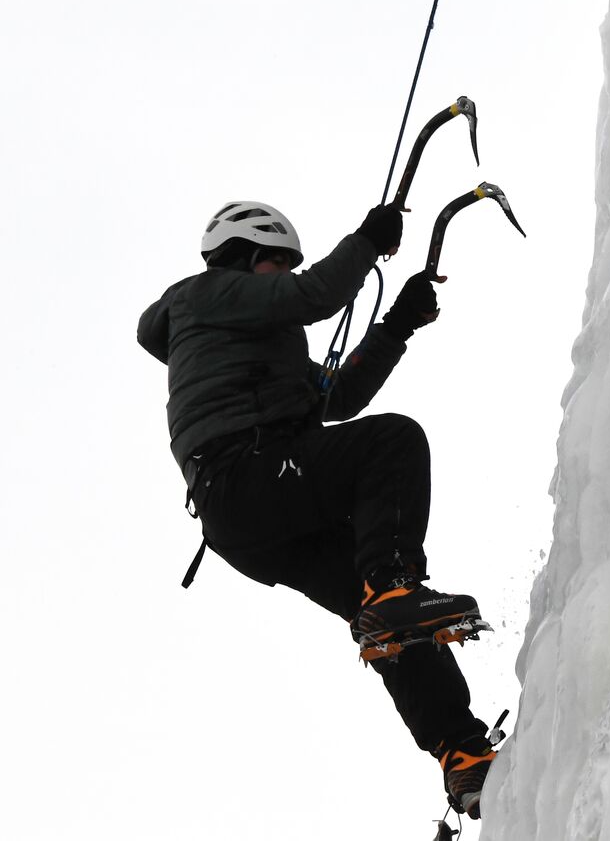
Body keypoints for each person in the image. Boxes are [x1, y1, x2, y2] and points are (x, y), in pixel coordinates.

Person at [137, 200, 495, 818]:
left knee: (386, 623)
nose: (280, 275)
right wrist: (366, 242)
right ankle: (394, 585)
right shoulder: (202, 296)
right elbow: (312, 298)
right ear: (242, 257)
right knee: (395, 443)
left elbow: (339, 396)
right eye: (274, 262)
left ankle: (461, 754)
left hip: (250, 512)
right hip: (247, 475)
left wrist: (397, 326)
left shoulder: (255, 347)